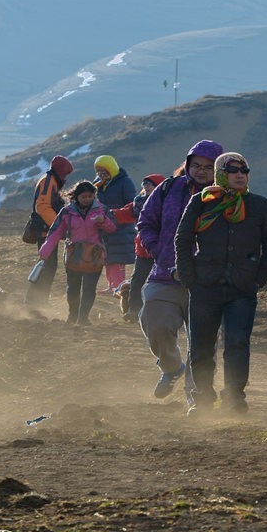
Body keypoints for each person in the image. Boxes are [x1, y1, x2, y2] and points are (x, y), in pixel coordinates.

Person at [173, 153, 267, 417]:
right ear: (221, 174)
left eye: (244, 170)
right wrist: (189, 278)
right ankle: (202, 399)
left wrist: (258, 278)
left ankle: (234, 398)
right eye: (233, 171)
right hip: (204, 287)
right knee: (201, 347)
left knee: (237, 344)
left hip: (242, 288)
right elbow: (183, 239)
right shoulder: (201, 202)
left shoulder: (259, 205)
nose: (240, 175)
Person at [137, 140, 224, 404]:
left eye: (208, 167)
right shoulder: (168, 188)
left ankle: (196, 400)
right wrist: (158, 250)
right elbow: (146, 221)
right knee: (154, 323)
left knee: (202, 344)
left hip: (208, 280)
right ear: (187, 164)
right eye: (196, 165)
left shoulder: (228, 196)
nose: (201, 171)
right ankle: (172, 367)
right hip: (166, 274)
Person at [38, 180, 117, 326]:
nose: (87, 199)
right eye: (83, 197)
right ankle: (73, 315)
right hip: (74, 256)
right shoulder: (66, 212)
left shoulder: (102, 210)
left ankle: (83, 317)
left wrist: (103, 221)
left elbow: (112, 228)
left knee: (89, 288)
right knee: (73, 288)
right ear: (76, 196)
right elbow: (55, 232)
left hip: (95, 257)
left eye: (90, 196)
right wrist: (45, 251)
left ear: (94, 195)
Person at [23, 155, 74, 309]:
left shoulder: (50, 180)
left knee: (47, 266)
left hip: (47, 231)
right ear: (60, 171)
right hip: (45, 232)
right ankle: (36, 301)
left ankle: (37, 300)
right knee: (47, 267)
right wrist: (57, 227)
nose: (65, 177)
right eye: (65, 173)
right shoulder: (48, 181)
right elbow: (43, 206)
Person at [114, 174, 165, 322]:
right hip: (143, 249)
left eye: (150, 184)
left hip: (163, 249)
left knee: (161, 282)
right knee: (137, 280)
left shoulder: (169, 203)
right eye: (145, 184)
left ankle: (158, 313)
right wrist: (109, 213)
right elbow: (126, 213)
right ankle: (134, 310)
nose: (146, 187)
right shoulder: (138, 202)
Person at [92, 155, 137, 295]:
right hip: (104, 226)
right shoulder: (98, 184)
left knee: (118, 258)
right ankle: (111, 286)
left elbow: (131, 204)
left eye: (103, 170)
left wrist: (117, 216)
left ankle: (118, 287)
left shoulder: (125, 182)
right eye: (98, 171)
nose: (100, 174)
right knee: (108, 257)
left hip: (121, 226)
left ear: (111, 168)